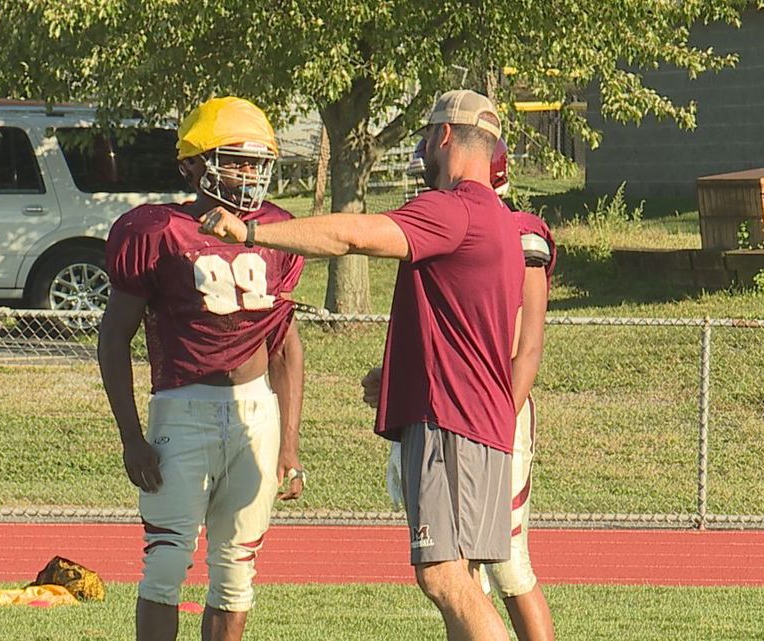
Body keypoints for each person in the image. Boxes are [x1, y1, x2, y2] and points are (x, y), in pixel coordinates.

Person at [199, 89, 523, 641]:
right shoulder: (497, 218)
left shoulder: (454, 209)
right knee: (461, 577)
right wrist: (400, 371)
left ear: (444, 136)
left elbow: (351, 236)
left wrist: (248, 231)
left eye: (425, 136)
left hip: (452, 422)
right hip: (479, 420)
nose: (422, 147)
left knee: (443, 575)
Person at [97, 96, 306, 641]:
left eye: (257, 161)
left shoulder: (276, 231)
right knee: (166, 565)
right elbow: (113, 337)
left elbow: (285, 346)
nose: (249, 173)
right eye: (235, 159)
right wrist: (130, 437)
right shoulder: (155, 230)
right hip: (182, 409)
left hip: (256, 411)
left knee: (236, 573)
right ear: (192, 164)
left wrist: (289, 443)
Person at [377, 137, 557, 641]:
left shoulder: (518, 233)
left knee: (507, 566)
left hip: (491, 409)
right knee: (462, 572)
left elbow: (527, 347)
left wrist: (499, 416)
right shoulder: (451, 226)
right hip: (453, 407)